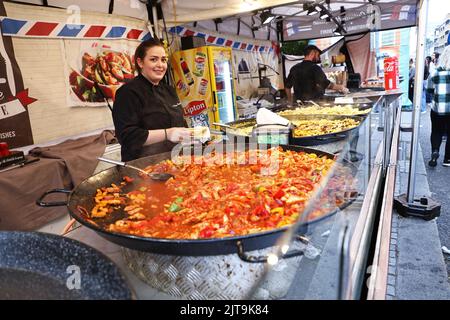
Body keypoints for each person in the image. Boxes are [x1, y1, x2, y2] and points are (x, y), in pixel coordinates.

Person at [112, 39, 192, 162]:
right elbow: (127, 136)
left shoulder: (169, 90)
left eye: (163, 60)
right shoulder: (127, 93)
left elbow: (180, 123)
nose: (160, 65)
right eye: (153, 59)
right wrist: (167, 133)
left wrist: (191, 134)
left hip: (177, 160)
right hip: (143, 166)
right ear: (140, 62)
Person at [284, 45, 349, 103]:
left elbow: (287, 86)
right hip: (314, 104)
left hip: (299, 104)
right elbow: (326, 84)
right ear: (312, 53)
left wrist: (290, 101)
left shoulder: (294, 68)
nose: (318, 58)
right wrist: (341, 87)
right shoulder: (315, 68)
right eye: (317, 55)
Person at [425, 46, 450, 167]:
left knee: (436, 131)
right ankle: (447, 159)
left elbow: (429, 90)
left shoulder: (435, 73)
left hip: (438, 109)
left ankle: (435, 151)